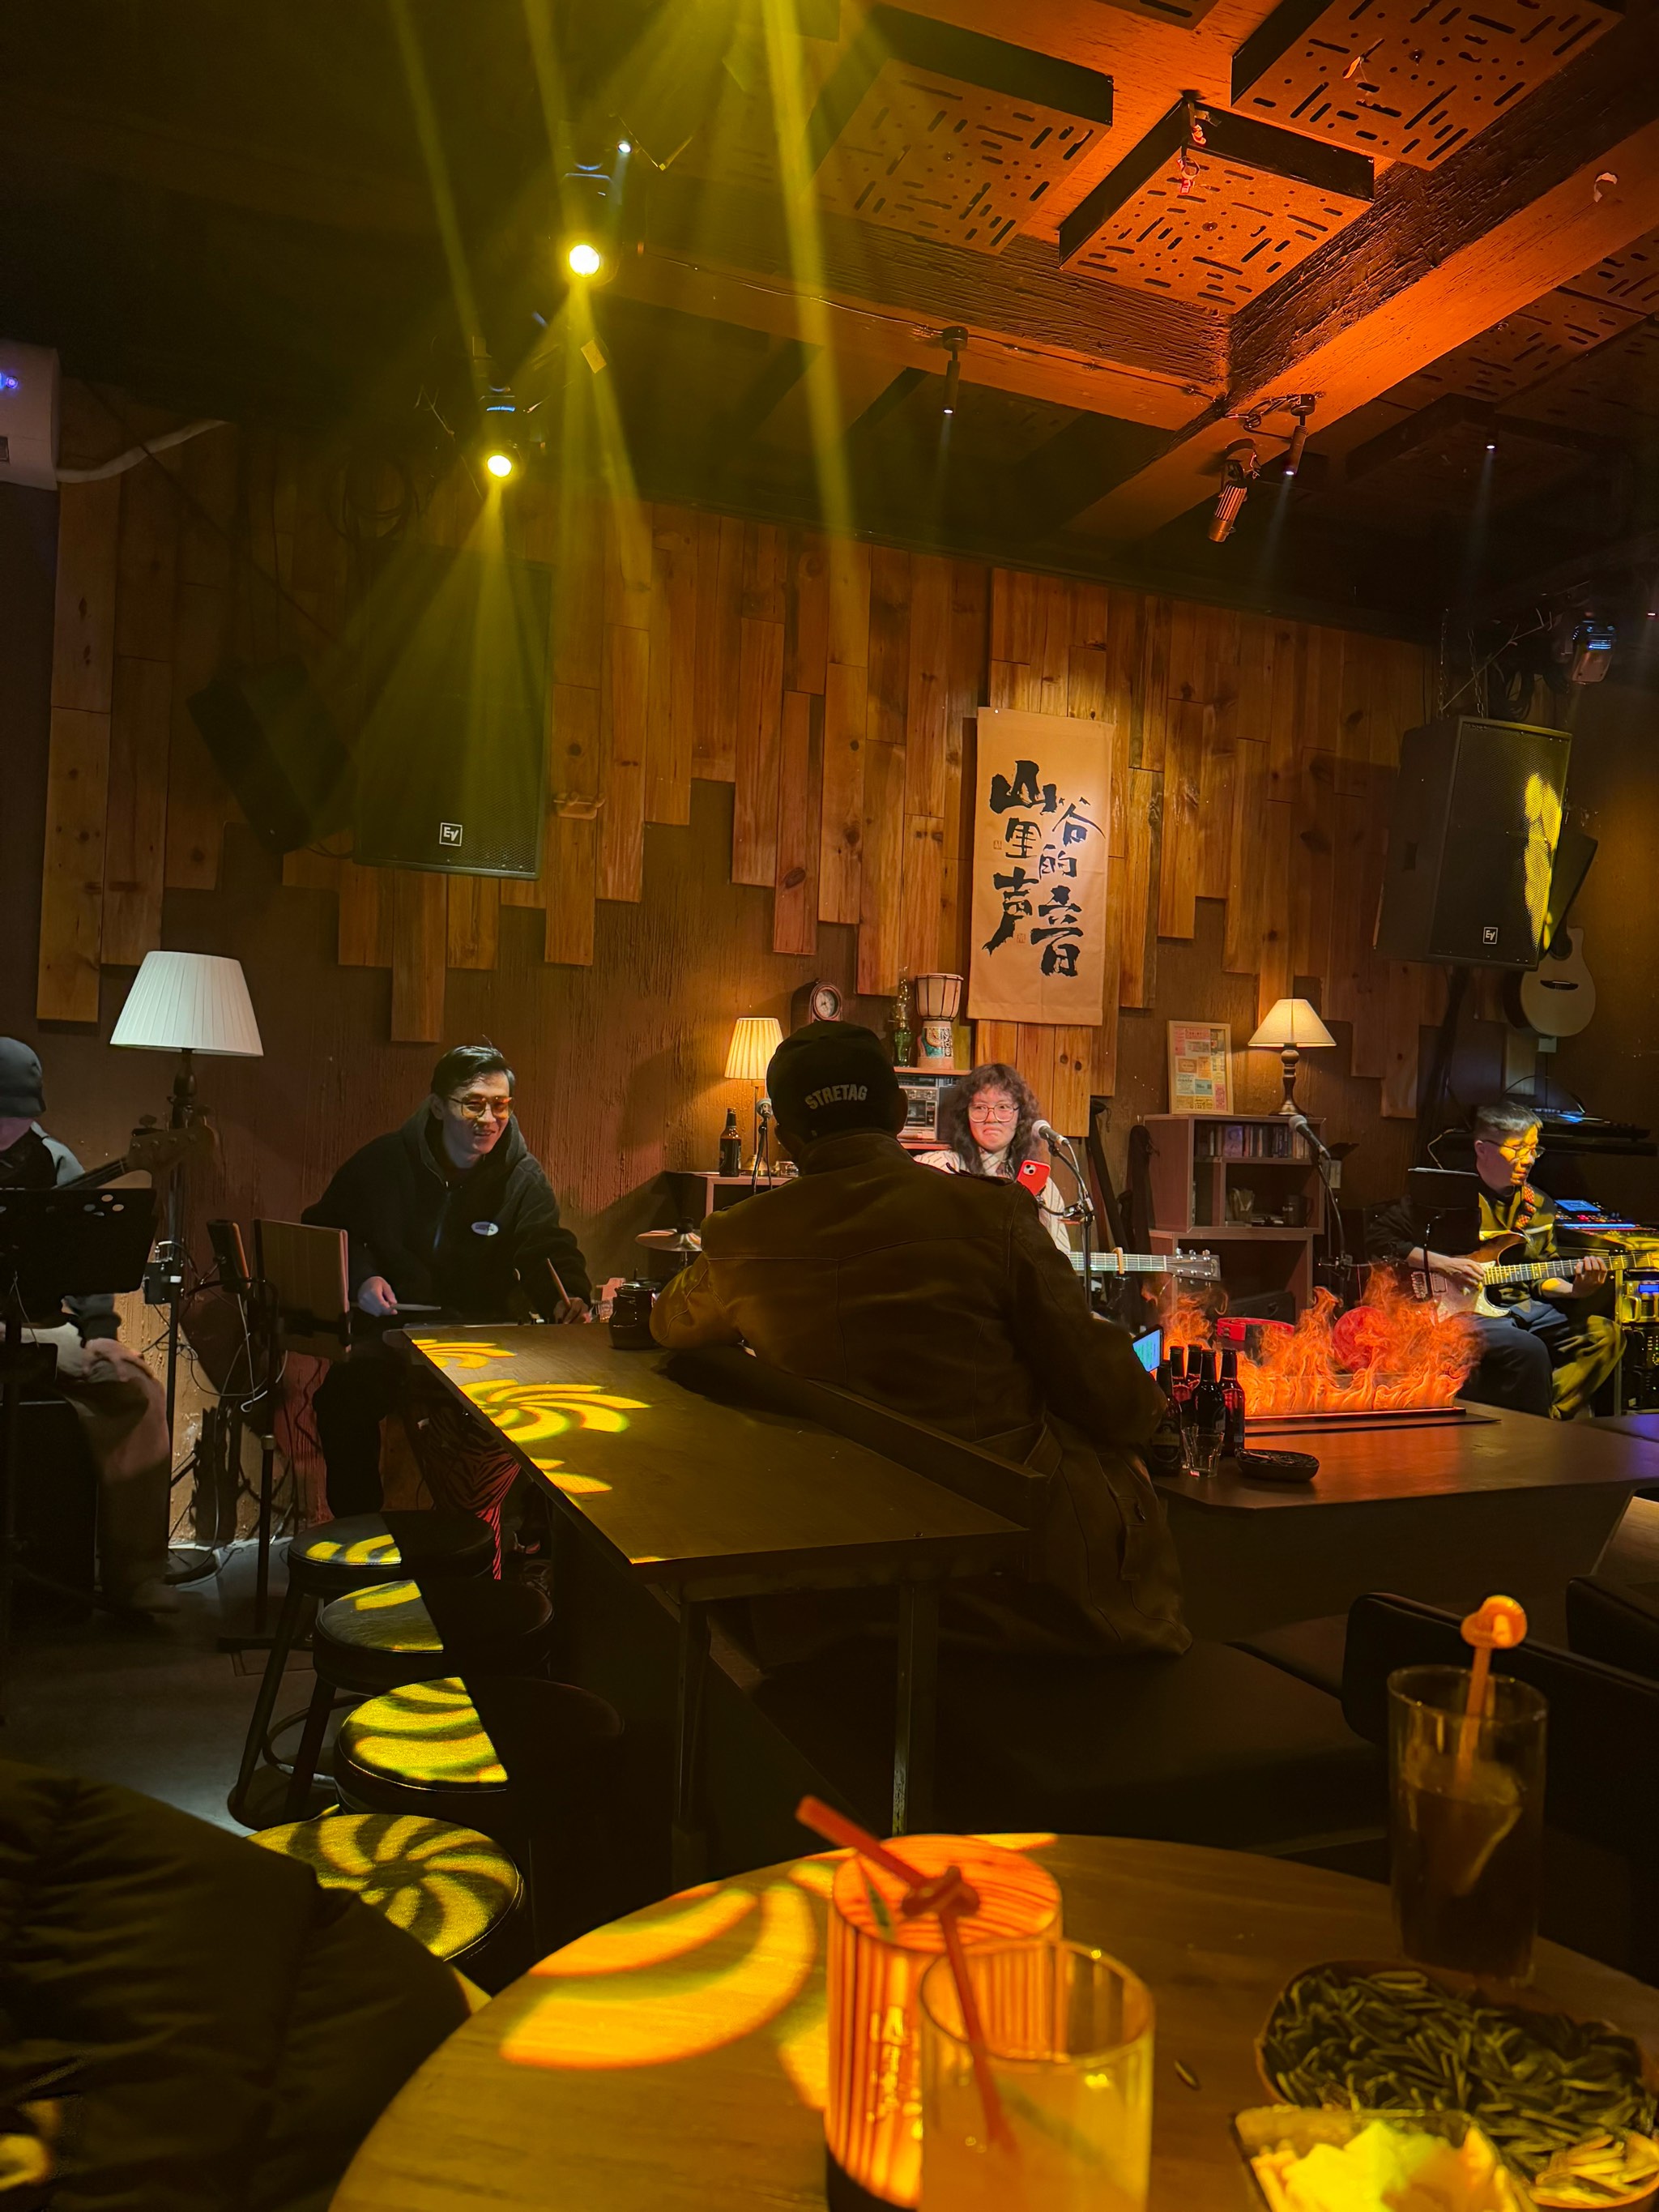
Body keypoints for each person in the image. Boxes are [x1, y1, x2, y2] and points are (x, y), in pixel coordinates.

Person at [650, 1022, 1185, 1663]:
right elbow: (1112, 1397)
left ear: (788, 1137)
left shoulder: (741, 1237)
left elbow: (670, 1324)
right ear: (901, 1112)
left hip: (836, 1592)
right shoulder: (990, 1213)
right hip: (1023, 1591)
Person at [304, 1044, 591, 1515]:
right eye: (472, 1104)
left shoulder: (521, 1174)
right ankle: (362, 1530)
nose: (489, 1119)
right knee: (342, 1400)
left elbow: (546, 1246)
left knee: (552, 1409)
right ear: (438, 1107)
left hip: (481, 1335)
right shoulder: (384, 1160)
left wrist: (569, 1297)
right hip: (393, 1330)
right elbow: (326, 1227)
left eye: (500, 1105)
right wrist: (362, 1279)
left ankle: (516, 1538)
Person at [0, 1038, 174, 1615]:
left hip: (37, 1329)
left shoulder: (54, 1162)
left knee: (135, 1388)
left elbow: (87, 1264)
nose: (7, 1129)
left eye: (16, 1118)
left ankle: (137, 1575)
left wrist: (100, 1333)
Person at [1367, 1100, 1618, 1419]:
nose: (1528, 1160)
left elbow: (1540, 1271)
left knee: (1605, 1336)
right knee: (1530, 1349)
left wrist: (1575, 1290)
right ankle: (1535, 1422)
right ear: (1482, 1149)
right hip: (1459, 1310)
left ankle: (1546, 1415)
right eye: (1518, 1149)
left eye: (1534, 1150)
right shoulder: (1447, 1193)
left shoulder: (1540, 1205)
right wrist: (1444, 1264)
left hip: (1520, 1306)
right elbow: (1379, 1237)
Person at [915, 1061, 1073, 1255]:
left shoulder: (1045, 1188)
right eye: (980, 1107)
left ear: (1020, 1116)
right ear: (965, 1116)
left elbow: (1059, 1259)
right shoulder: (935, 1168)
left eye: (1003, 1107)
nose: (991, 1118)